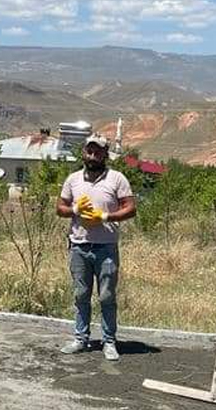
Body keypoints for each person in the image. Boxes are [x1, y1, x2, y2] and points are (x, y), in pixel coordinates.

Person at [55, 133, 136, 361]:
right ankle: (81, 338)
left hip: (106, 246)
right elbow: (60, 208)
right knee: (81, 294)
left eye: (97, 151)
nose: (92, 155)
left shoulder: (117, 179)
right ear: (83, 152)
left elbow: (130, 208)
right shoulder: (73, 180)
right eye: (89, 151)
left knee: (107, 296)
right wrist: (74, 211)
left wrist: (106, 216)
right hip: (79, 245)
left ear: (105, 154)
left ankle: (109, 341)